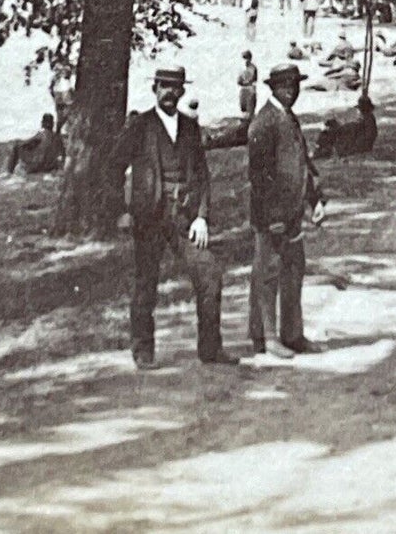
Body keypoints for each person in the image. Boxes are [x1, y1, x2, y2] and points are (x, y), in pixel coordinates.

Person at [114, 64, 238, 369]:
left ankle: (210, 349)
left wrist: (202, 217)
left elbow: (203, 175)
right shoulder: (140, 126)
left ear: (182, 91)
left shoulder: (190, 126)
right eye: (164, 85)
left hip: (184, 219)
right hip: (149, 217)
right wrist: (122, 210)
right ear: (154, 88)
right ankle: (143, 350)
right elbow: (113, 167)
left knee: (209, 275)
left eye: (176, 86)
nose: (170, 92)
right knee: (146, 282)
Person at [247, 63, 326, 358]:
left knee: (294, 270)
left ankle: (293, 334)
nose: (291, 91)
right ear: (272, 88)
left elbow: (304, 163)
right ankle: (266, 337)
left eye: (295, 86)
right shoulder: (264, 122)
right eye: (285, 86)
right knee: (267, 273)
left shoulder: (289, 118)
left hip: (293, 212)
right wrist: (272, 218)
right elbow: (259, 177)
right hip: (272, 217)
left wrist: (315, 200)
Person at [237, 49, 259, 122]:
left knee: (250, 111)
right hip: (243, 89)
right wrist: (243, 82)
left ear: (250, 58)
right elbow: (239, 81)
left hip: (250, 89)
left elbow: (254, 79)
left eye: (246, 58)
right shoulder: (241, 69)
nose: (245, 60)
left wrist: (247, 82)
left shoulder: (253, 68)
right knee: (243, 109)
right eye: (244, 58)